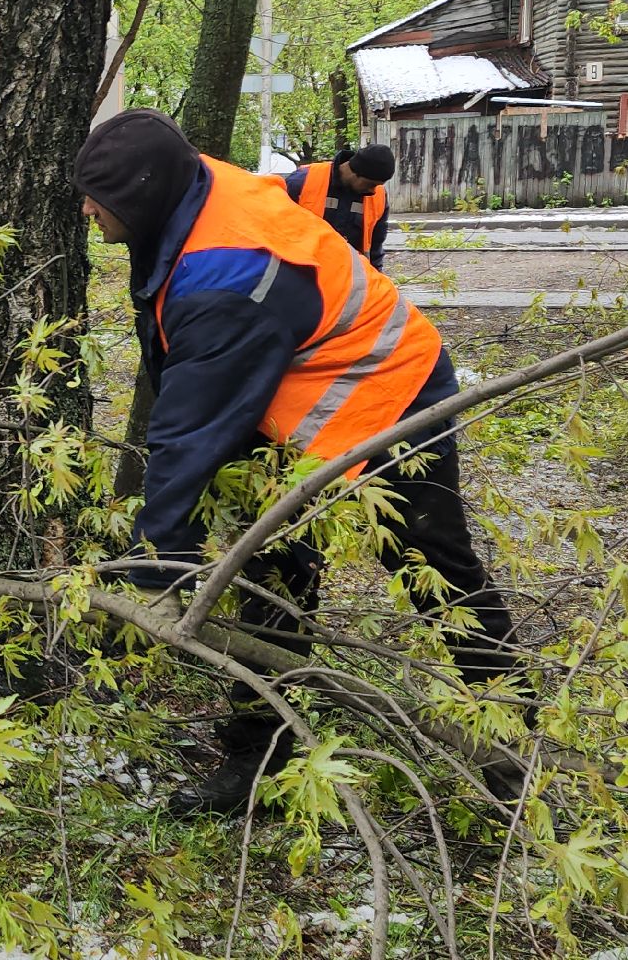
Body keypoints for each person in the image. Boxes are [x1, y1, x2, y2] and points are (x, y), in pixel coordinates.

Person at [74, 109, 523, 816]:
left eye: (99, 199)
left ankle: (514, 738)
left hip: (391, 393)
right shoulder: (192, 188)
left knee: (433, 566)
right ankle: (260, 760)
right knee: (275, 570)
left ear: (142, 194)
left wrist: (159, 562)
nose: (87, 209)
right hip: (289, 384)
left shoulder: (228, 275)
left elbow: (191, 431)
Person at [284, 144, 394, 270]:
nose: (373, 191)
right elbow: (277, 231)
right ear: (356, 172)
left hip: (348, 278)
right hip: (303, 274)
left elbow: (375, 247)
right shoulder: (303, 181)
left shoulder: (378, 197)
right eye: (371, 184)